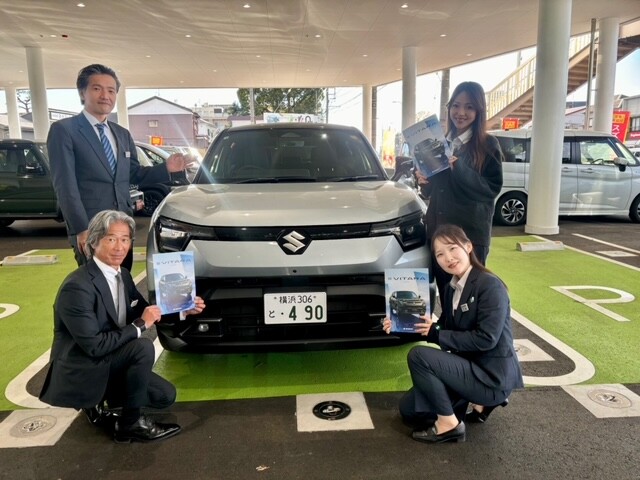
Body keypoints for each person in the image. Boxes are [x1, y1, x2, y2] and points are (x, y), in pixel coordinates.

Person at [39, 210, 206, 443]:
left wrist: (182, 310)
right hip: (84, 366)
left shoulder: (123, 276)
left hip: (111, 358)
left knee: (164, 396)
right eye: (111, 239)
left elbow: (146, 312)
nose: (120, 247)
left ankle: (100, 400)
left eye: (125, 239)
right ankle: (129, 424)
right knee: (142, 347)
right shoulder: (77, 287)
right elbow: (95, 346)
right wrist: (139, 325)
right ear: (93, 242)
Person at [383, 224, 523, 444]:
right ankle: (480, 404)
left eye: (452, 248)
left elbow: (486, 339)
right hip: (468, 367)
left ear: (468, 246)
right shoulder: (451, 288)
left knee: (418, 356)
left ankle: (449, 424)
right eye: (440, 254)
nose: (447, 258)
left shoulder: (489, 286)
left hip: (490, 376)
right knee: (410, 411)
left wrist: (437, 333)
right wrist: (400, 324)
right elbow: (442, 328)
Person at [47, 63, 192, 271]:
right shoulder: (65, 130)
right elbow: (65, 186)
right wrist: (80, 228)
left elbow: (133, 174)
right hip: (92, 228)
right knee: (98, 283)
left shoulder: (122, 134)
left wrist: (166, 168)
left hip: (122, 226)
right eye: (97, 88)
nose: (105, 95)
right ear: (82, 93)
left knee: (123, 279)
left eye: (111, 90)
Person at [416, 81, 504, 303]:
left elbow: (491, 189)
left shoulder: (488, 144)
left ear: (479, 111)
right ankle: (446, 327)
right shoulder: (441, 142)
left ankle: (465, 329)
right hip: (440, 232)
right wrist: (424, 181)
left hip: (468, 235)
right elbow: (435, 189)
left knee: (467, 298)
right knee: (446, 295)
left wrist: (459, 167)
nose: (460, 112)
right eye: (456, 105)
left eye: (469, 107)